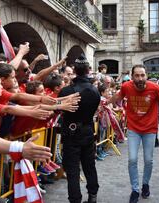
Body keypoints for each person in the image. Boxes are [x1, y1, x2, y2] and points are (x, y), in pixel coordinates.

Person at [108, 64, 159, 203]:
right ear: (132, 77)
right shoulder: (127, 86)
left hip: (150, 129)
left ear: (146, 75)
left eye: (142, 75)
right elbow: (118, 96)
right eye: (137, 75)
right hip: (133, 128)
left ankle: (145, 184)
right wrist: (104, 103)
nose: (140, 78)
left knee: (148, 160)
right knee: (132, 159)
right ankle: (135, 189)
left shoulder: (154, 87)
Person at [58, 55, 100, 203]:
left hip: (71, 133)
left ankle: (75, 199)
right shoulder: (95, 91)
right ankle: (93, 195)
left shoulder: (66, 91)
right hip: (87, 131)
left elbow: (59, 110)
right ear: (88, 70)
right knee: (89, 166)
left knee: (73, 169)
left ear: (75, 70)